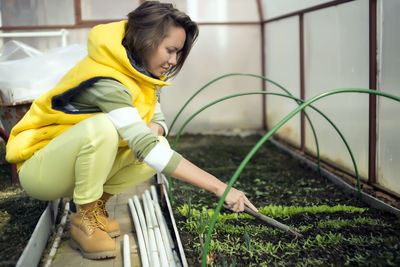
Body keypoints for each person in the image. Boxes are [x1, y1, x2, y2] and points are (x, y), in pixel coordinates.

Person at [6, 1, 258, 260]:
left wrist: (153, 129)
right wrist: (219, 188)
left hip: (67, 162)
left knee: (158, 147)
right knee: (105, 129)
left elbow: (158, 120)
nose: (173, 61)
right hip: (40, 167)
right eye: (170, 50)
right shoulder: (106, 78)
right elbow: (140, 144)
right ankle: (84, 217)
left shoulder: (140, 74)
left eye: (178, 53)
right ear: (146, 39)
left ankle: (96, 208)